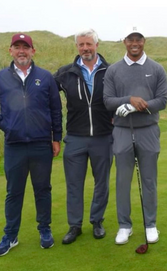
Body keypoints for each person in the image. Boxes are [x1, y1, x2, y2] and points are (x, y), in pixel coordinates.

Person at [0, 33, 62, 256]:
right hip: (14, 145)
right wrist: (6, 125)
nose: (21, 51)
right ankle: (10, 235)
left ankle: (44, 230)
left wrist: (56, 137)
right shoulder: (0, 78)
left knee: (43, 190)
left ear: (32, 51)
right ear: (10, 51)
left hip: (40, 145)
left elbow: (56, 110)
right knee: (14, 192)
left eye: (25, 47)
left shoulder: (45, 77)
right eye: (17, 47)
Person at [103, 27, 167, 245]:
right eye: (130, 39)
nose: (134, 43)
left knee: (149, 180)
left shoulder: (156, 68)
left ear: (144, 41)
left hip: (148, 130)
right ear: (124, 41)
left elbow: (162, 100)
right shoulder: (113, 70)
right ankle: (125, 226)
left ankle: (150, 224)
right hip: (121, 131)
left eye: (138, 39)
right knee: (122, 180)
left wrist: (140, 106)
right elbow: (108, 101)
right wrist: (128, 100)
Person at [53, 29, 113, 244]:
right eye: (81, 45)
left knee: (102, 183)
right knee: (74, 184)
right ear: (77, 47)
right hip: (75, 137)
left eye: (89, 44)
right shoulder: (65, 72)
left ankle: (97, 221)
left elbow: (121, 95)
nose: (85, 48)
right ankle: (74, 225)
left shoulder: (110, 70)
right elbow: (46, 96)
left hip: (103, 136)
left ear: (97, 45)